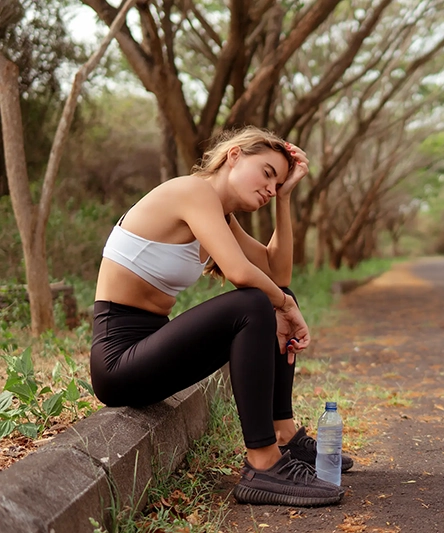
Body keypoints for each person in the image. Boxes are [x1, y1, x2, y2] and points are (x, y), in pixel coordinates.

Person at [90, 126, 351, 508]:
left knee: (274, 297)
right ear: (234, 156)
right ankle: (263, 463)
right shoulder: (192, 191)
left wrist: (286, 199)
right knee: (254, 304)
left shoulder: (221, 215)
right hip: (118, 362)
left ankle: (283, 434)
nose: (270, 188)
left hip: (149, 352)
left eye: (277, 183)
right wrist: (285, 306)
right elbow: (242, 275)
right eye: (266, 173)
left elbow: (278, 276)